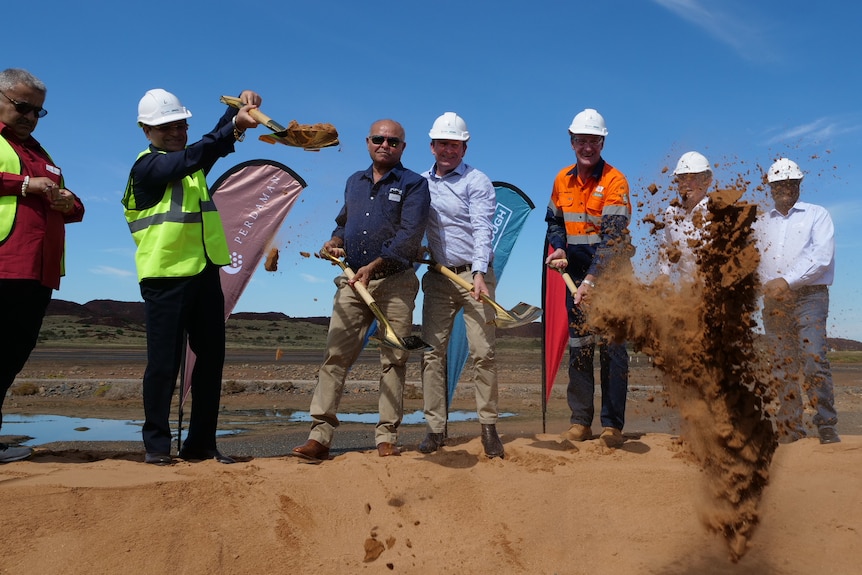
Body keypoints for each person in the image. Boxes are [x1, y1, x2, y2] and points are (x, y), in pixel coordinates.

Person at [121, 88, 261, 465]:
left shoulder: (189, 166)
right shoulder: (147, 168)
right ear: (146, 130)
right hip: (165, 277)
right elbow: (197, 154)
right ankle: (156, 446)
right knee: (164, 363)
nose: (176, 132)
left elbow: (204, 150)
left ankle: (201, 444)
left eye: (181, 124)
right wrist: (232, 126)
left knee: (211, 361)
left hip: (203, 274)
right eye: (166, 127)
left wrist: (236, 115)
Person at [291, 119, 430, 463]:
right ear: (368, 142)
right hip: (353, 281)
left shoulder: (414, 185)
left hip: (395, 282)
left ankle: (386, 436)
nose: (385, 144)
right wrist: (335, 241)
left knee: (394, 359)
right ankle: (319, 435)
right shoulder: (355, 181)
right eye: (379, 139)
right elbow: (343, 222)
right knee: (336, 355)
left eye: (393, 141)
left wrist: (375, 266)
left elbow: (410, 237)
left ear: (403, 148)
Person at [0, 68, 85, 464]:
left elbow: (72, 204)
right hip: (4, 263)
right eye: (23, 107)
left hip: (39, 271)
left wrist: (69, 202)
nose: (31, 117)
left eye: (38, 112)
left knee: (13, 353)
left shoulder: (42, 154)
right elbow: (23, 188)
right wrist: (20, 185)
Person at [544, 108, 632, 448]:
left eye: (593, 140)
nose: (587, 146)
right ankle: (580, 421)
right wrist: (559, 248)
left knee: (612, 349)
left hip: (611, 276)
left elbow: (613, 239)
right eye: (581, 140)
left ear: (602, 142)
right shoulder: (561, 179)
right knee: (580, 347)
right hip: (575, 272)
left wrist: (592, 281)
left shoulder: (614, 181)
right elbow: (554, 221)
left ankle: (612, 426)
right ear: (572, 141)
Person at [417, 112, 503, 458]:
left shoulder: (477, 181)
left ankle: (489, 428)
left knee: (483, 352)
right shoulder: (419, 183)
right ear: (432, 146)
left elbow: (483, 228)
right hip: (438, 275)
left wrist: (479, 272)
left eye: (455, 144)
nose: (448, 150)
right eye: (442, 144)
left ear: (464, 147)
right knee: (431, 353)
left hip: (473, 276)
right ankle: (436, 430)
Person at [755, 158, 839, 444]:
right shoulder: (761, 223)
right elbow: (752, 262)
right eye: (778, 184)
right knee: (782, 364)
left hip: (809, 297)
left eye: (790, 184)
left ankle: (826, 423)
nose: (784, 189)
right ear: (770, 188)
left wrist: (786, 281)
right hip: (774, 302)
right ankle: (791, 427)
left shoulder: (817, 215)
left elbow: (821, 258)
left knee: (814, 358)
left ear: (799, 184)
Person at [659, 151, 712, 283]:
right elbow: (666, 248)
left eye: (692, 178)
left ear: (707, 181)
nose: (685, 184)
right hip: (688, 293)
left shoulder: (717, 212)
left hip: (716, 294)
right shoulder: (671, 213)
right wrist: (663, 276)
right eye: (681, 178)